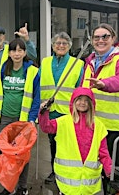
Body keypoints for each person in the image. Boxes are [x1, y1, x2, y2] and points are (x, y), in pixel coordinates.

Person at [81, 23, 119, 193]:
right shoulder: (90, 62)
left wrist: (104, 83)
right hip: (94, 125)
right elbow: (83, 89)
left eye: (105, 36)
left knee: (111, 171)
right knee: (94, 166)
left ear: (113, 39)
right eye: (96, 37)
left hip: (116, 127)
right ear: (92, 40)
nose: (101, 40)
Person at [0, 38, 40, 195]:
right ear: (9, 52)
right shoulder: (2, 69)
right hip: (5, 118)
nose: (16, 53)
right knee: (8, 154)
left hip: (23, 120)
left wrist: (32, 119)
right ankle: (8, 187)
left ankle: (22, 187)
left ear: (25, 52)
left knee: (22, 155)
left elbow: (37, 98)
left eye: (20, 50)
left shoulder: (33, 71)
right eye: (13, 50)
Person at [39, 87, 112, 195]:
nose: (82, 103)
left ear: (91, 104)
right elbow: (46, 127)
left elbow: (103, 152)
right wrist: (44, 112)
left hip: (89, 182)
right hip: (67, 182)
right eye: (79, 99)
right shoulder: (63, 122)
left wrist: (109, 170)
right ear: (73, 101)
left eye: (86, 100)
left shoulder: (98, 126)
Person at [0, 24, 38, 158]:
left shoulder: (11, 48)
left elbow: (32, 55)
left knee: (17, 141)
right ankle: (0, 161)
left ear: (4, 37)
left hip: (15, 99)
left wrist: (27, 40)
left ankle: (13, 164)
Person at [39, 32, 84, 184]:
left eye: (65, 43)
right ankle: (54, 170)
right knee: (53, 143)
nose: (61, 46)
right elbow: (37, 84)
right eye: (58, 43)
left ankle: (68, 170)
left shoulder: (77, 64)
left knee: (68, 143)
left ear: (69, 46)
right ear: (52, 46)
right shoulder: (45, 62)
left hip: (68, 112)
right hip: (50, 112)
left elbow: (80, 90)